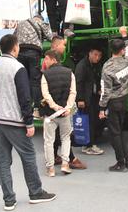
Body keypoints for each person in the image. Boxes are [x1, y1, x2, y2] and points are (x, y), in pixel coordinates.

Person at [0, 34, 56, 210]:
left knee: (3, 161)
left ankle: (8, 199)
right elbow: (25, 98)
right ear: (15, 47)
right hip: (15, 121)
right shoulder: (18, 68)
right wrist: (29, 122)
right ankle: (35, 192)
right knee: (28, 156)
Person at [45, 36, 87, 170]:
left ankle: (56, 159)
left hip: (56, 105)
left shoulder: (52, 62)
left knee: (58, 134)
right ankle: (69, 159)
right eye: (63, 45)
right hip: (58, 105)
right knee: (64, 134)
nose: (65, 47)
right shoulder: (49, 64)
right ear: (56, 47)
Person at [99, 26, 128, 172]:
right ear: (122, 51)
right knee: (120, 131)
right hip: (124, 99)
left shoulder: (107, 67)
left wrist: (101, 108)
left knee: (115, 134)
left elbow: (106, 91)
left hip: (113, 102)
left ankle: (121, 163)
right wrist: (124, 35)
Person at [41, 50, 76, 177]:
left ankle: (50, 168)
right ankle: (65, 164)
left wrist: (55, 107)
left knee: (49, 140)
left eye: (46, 58)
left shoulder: (45, 74)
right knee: (66, 138)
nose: (45, 61)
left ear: (53, 59)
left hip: (50, 114)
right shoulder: (69, 73)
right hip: (65, 113)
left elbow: (46, 94)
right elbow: (73, 92)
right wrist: (67, 107)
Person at [14, 15, 53, 112]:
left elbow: (13, 37)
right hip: (33, 52)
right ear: (40, 19)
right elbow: (50, 37)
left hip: (20, 52)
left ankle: (22, 106)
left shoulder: (21, 23)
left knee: (23, 80)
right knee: (35, 81)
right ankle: (36, 107)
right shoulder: (42, 23)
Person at [75, 46, 104, 155]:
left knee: (92, 121)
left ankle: (89, 143)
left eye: (99, 55)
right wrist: (80, 99)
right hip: (85, 99)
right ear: (90, 53)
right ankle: (88, 145)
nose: (98, 57)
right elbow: (79, 83)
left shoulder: (95, 66)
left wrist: (99, 90)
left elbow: (96, 80)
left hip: (93, 97)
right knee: (89, 122)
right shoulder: (82, 66)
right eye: (95, 55)